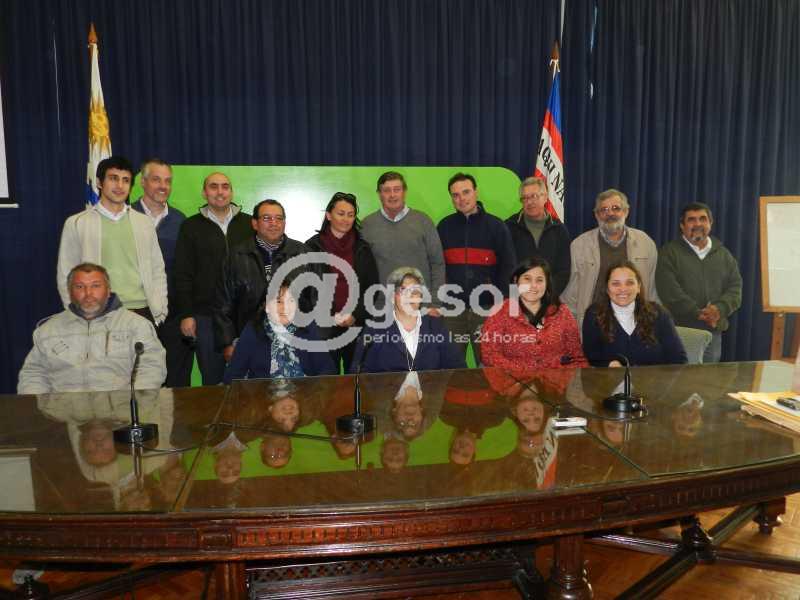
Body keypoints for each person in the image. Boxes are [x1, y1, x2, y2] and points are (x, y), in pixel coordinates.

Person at [18, 263, 166, 394]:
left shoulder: (136, 325)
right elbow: (33, 374)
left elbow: (151, 368)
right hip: (64, 414)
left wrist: (131, 406)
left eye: (96, 286)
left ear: (108, 290)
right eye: (79, 286)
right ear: (69, 292)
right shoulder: (48, 330)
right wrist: (40, 408)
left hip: (121, 412)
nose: (88, 293)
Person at [57, 156, 167, 325]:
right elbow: (66, 274)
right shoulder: (77, 223)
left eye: (126, 180)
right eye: (113, 178)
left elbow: (157, 269)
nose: (120, 186)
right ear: (99, 183)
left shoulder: (144, 223)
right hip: (97, 312)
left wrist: (160, 308)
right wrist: (76, 313)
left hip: (142, 310)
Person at [173, 172, 252, 385]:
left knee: (248, 380)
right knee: (212, 380)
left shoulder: (249, 224)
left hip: (244, 317)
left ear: (231, 192)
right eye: (213, 186)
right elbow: (182, 273)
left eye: (225, 186)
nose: (220, 192)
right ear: (204, 192)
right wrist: (187, 314)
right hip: (206, 317)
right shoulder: (190, 227)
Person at [215, 199, 314, 364]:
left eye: (279, 218)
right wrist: (227, 343)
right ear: (255, 223)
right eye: (267, 218)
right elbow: (222, 304)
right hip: (248, 342)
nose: (274, 223)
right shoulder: (236, 256)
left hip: (295, 342)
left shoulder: (303, 254)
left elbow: (314, 300)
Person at [437, 172, 517, 358]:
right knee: (450, 365)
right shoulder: (444, 227)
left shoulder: (496, 226)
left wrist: (504, 303)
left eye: (466, 192)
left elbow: (509, 267)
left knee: (488, 365)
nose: (461, 199)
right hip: (453, 311)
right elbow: (436, 266)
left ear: (476, 192)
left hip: (487, 310)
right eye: (456, 195)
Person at [656, 202, 742, 363]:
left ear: (710, 223)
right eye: (691, 219)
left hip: (713, 331)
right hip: (680, 331)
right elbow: (668, 290)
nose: (697, 224)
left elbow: (735, 288)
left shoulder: (724, 255)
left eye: (703, 219)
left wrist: (719, 309)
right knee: (681, 375)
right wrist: (698, 313)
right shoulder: (669, 253)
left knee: (709, 376)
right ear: (682, 226)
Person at [561, 188, 659, 328]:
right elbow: (571, 293)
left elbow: (652, 290)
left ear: (626, 212)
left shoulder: (645, 243)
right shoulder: (579, 245)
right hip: (594, 322)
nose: (610, 213)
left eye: (616, 208)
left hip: (635, 321)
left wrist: (651, 322)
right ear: (597, 215)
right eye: (604, 210)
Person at [305, 192, 380, 372]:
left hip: (356, 325)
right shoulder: (311, 248)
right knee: (325, 380)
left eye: (350, 215)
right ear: (328, 215)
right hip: (323, 327)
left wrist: (355, 315)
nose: (346, 219)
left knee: (356, 378)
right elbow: (306, 291)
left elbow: (372, 287)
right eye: (341, 213)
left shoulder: (363, 248)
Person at [131, 158, 187, 387]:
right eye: (156, 180)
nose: (163, 186)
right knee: (137, 378)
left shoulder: (181, 221)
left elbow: (185, 271)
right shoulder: (126, 216)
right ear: (142, 182)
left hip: (172, 316)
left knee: (176, 380)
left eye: (167, 181)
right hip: (134, 311)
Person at [350, 267, 465, 374]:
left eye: (415, 292)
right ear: (392, 297)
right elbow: (359, 373)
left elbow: (458, 370)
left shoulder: (436, 327)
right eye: (403, 290)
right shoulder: (374, 329)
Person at [481, 257, 588, 372]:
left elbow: (577, 358)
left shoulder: (562, 312)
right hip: (511, 380)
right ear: (516, 281)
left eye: (539, 280)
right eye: (527, 279)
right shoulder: (500, 312)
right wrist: (525, 373)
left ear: (547, 284)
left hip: (555, 381)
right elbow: (490, 356)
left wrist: (557, 377)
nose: (533, 285)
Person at [361, 171, 446, 312]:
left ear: (404, 192)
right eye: (386, 190)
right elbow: (362, 270)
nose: (392, 195)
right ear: (379, 194)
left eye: (397, 189)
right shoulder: (367, 225)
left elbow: (437, 263)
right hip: (381, 308)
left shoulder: (423, 221)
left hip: (420, 307)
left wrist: (435, 303)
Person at [223, 279, 336, 383]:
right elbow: (232, 377)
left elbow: (327, 370)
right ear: (266, 306)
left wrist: (311, 393)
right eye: (278, 301)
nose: (285, 307)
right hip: (264, 395)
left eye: (290, 301)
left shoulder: (307, 328)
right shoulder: (253, 331)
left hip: (305, 394)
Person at [582, 261, 687, 367]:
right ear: (607, 289)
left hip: (656, 377)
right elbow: (592, 356)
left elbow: (679, 358)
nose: (623, 289)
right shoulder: (594, 315)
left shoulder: (658, 314)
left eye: (629, 283)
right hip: (612, 377)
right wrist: (609, 364)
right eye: (616, 284)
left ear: (638, 287)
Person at [505, 176, 571, 295]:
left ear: (545, 197)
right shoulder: (509, 227)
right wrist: (517, 294)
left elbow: (563, 271)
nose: (529, 202)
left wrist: (547, 294)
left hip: (548, 297)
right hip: (516, 297)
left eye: (534, 196)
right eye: (525, 198)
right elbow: (504, 267)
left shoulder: (559, 230)